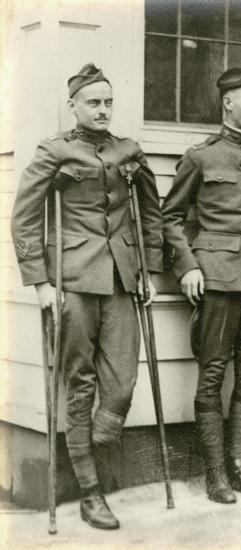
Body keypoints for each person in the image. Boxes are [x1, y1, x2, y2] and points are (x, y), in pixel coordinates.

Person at [10, 63, 163, 528]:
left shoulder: (129, 151)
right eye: (93, 102)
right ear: (74, 105)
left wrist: (149, 271)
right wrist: (40, 284)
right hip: (71, 282)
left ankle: (100, 436)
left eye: (108, 102)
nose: (102, 110)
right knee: (79, 384)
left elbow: (151, 214)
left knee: (120, 384)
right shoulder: (53, 150)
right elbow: (25, 218)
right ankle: (91, 492)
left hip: (121, 280)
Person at [162, 65, 241, 504]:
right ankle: (215, 473)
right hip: (216, 279)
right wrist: (187, 267)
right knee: (213, 374)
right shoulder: (200, 156)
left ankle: (239, 467)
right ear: (227, 103)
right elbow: (171, 217)